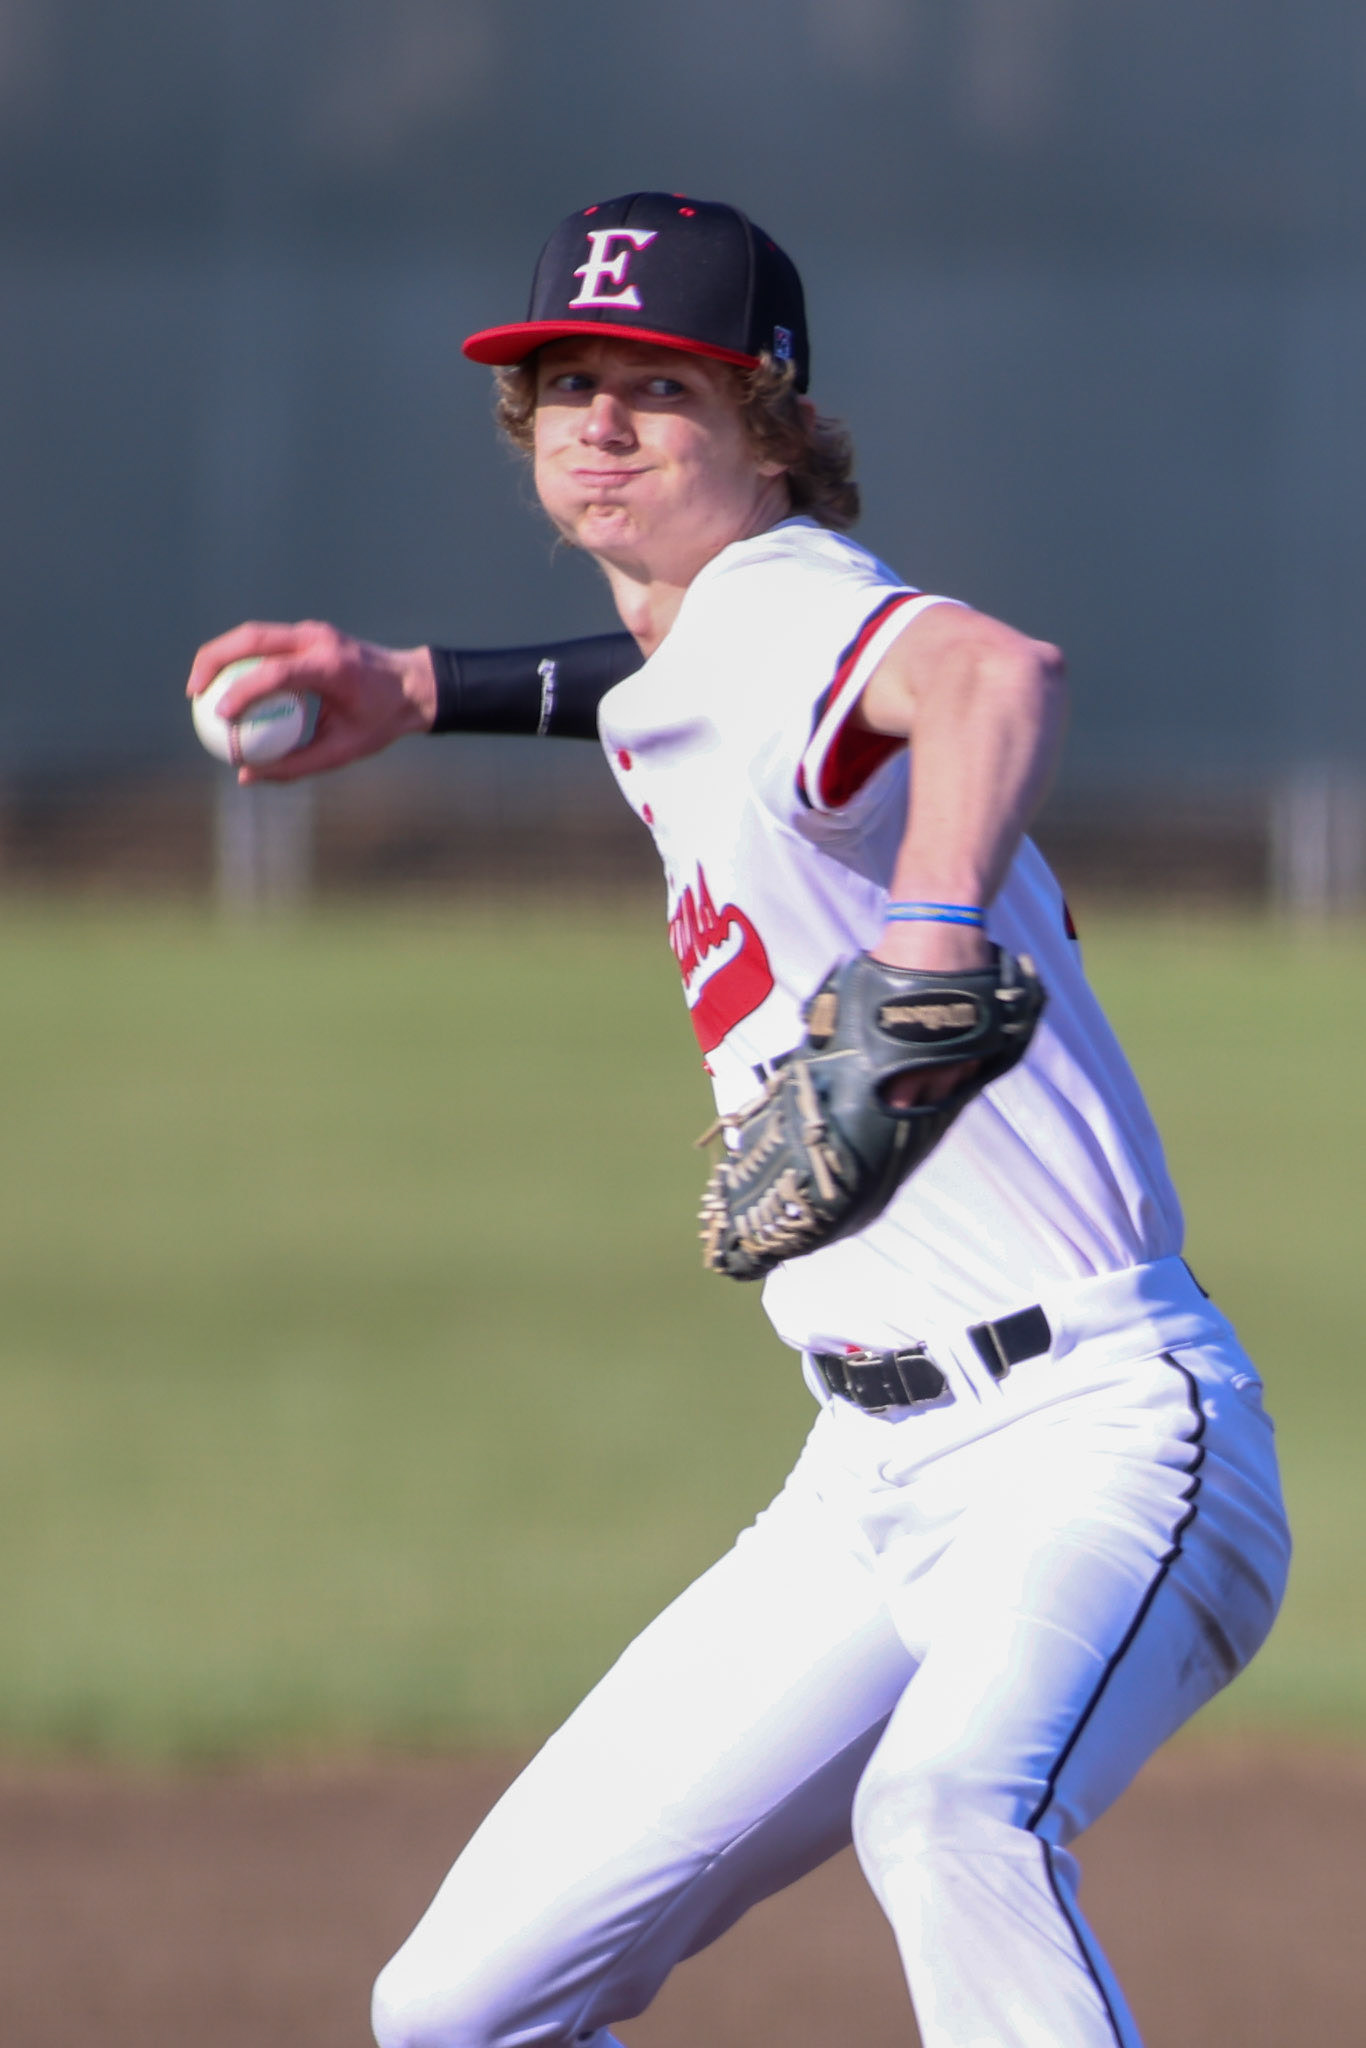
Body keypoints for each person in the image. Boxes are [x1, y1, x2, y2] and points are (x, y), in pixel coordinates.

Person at [187, 192, 1290, 2048]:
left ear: (770, 422)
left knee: (950, 1817)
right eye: (567, 387)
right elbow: (655, 691)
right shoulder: (712, 655)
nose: (602, 425)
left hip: (1091, 1439)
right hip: (864, 1483)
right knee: (458, 2006)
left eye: (661, 389)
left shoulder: (789, 601)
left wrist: (930, 937)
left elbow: (989, 673)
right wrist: (414, 689)